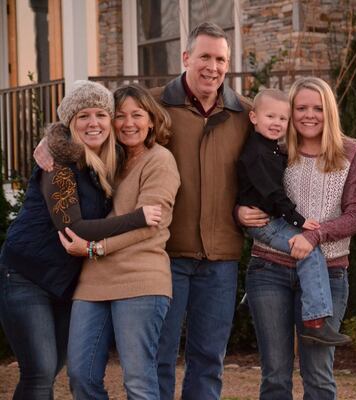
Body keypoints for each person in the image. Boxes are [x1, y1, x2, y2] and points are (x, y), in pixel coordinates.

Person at [0, 80, 160, 400]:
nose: (93, 123)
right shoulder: (57, 162)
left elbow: (153, 113)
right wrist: (139, 217)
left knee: (54, 366)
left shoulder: (107, 160)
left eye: (101, 114)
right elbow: (74, 228)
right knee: (40, 372)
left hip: (63, 280)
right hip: (25, 276)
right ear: (70, 123)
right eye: (83, 116)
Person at [237, 76, 356, 400]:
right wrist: (238, 213)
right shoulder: (276, 150)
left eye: (318, 108)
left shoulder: (351, 152)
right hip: (269, 270)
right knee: (275, 376)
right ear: (290, 112)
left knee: (319, 375)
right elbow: (249, 190)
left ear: (330, 112)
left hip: (330, 271)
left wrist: (315, 236)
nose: (309, 115)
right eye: (301, 108)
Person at [148, 22, 253, 400]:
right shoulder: (153, 104)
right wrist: (54, 140)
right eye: (205, 56)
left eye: (221, 59)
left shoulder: (245, 113)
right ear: (186, 57)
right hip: (165, 255)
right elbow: (94, 124)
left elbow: (303, 131)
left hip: (221, 257)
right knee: (158, 356)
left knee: (209, 358)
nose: (213, 66)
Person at [57, 84, 180, 400]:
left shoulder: (160, 160)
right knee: (80, 376)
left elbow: (150, 225)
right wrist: (48, 141)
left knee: (138, 383)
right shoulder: (107, 161)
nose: (128, 123)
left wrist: (96, 249)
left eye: (137, 115)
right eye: (120, 115)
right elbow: (71, 131)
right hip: (94, 281)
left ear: (151, 120)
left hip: (140, 279)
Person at [237, 88, 350, 346]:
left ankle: (250, 299)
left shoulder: (272, 148)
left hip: (272, 219)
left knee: (307, 247)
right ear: (253, 117)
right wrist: (299, 221)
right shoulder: (258, 153)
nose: (277, 123)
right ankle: (314, 321)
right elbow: (273, 194)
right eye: (270, 117)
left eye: (282, 118)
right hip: (266, 223)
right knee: (308, 250)